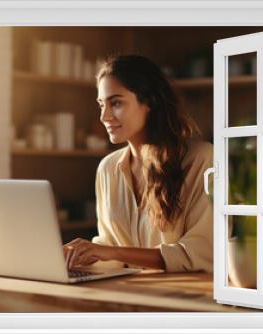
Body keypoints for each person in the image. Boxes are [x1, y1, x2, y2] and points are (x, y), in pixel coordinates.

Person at [63, 54, 213, 273]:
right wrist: (78, 257)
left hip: (186, 297)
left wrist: (114, 252)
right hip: (129, 294)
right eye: (101, 104)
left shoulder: (201, 159)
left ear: (149, 102)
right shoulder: (108, 168)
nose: (104, 116)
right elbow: (109, 248)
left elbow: (203, 252)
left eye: (115, 103)